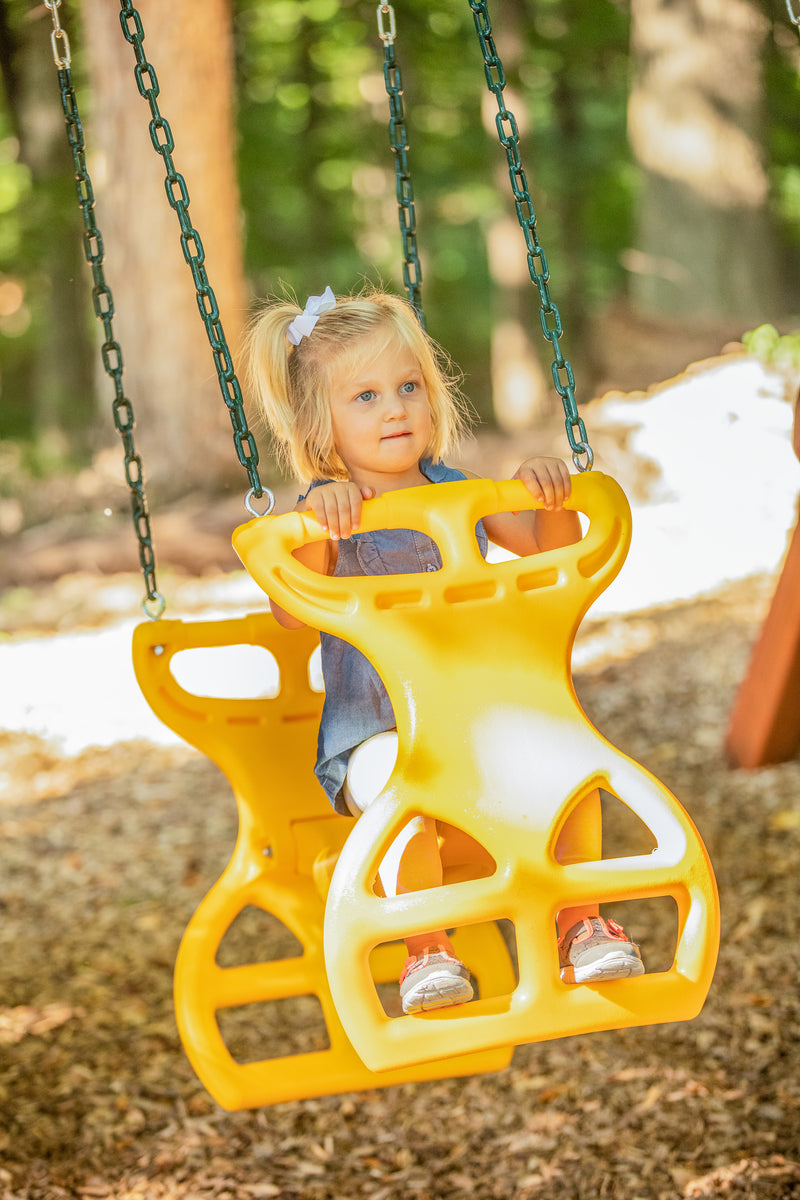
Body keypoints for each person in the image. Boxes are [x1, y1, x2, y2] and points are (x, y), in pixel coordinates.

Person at [245, 285, 644, 1014]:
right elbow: (291, 611)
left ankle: (580, 922)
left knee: (565, 768)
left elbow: (547, 560)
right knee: (404, 793)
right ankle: (426, 947)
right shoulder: (329, 513)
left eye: (408, 387)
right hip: (378, 738)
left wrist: (545, 499)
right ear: (319, 424)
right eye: (364, 396)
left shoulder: (460, 490)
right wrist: (316, 523)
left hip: (476, 724)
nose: (395, 407)